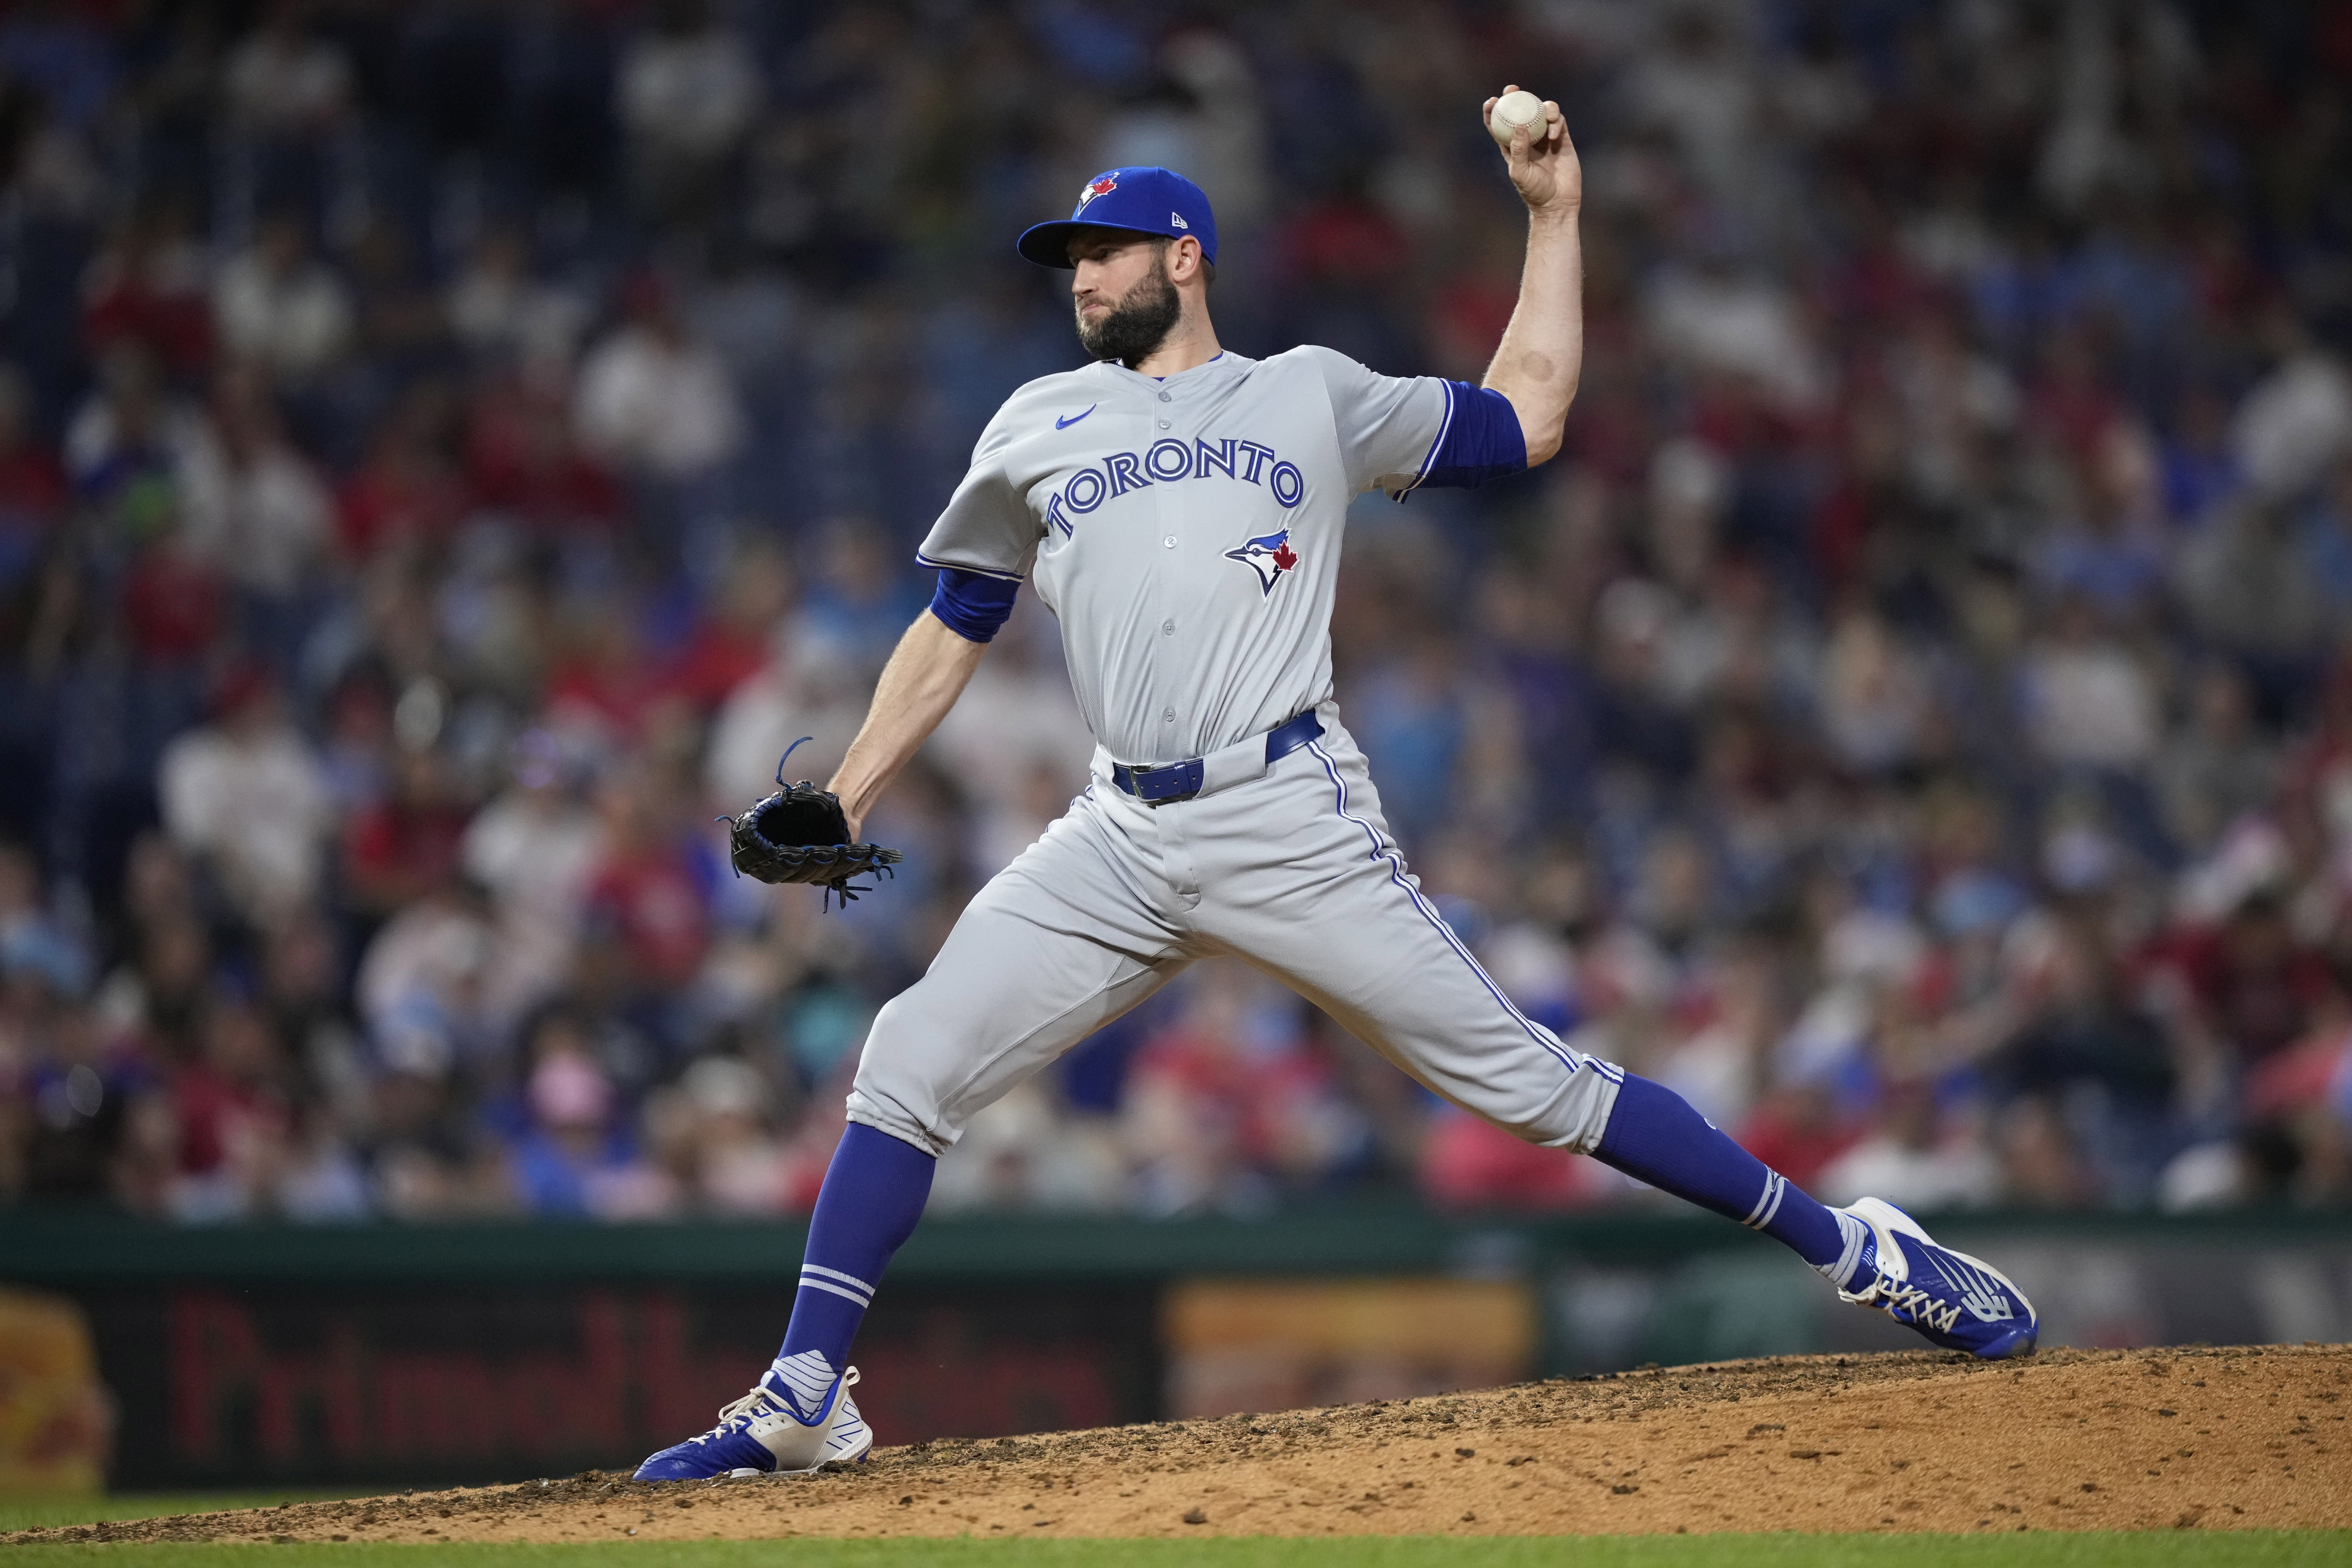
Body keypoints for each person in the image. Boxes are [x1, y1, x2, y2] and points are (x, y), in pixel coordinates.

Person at [635, 91, 2038, 1483]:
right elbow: (957, 622)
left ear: (1184, 256)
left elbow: (1530, 417)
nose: (1083, 277)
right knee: (905, 1059)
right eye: (1070, 260)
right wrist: (860, 793)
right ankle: (808, 1393)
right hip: (1119, 828)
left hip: (1288, 813)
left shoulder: (1308, 390)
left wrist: (1553, 216)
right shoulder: (1036, 421)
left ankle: (1859, 1246)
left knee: (1535, 1091)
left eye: (1106, 251)